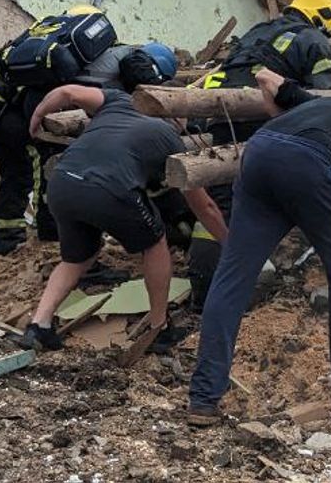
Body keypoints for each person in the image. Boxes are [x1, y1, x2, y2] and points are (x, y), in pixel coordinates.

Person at [186, 68, 331, 426]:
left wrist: (260, 74)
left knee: (233, 277)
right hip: (307, 163)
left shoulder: (323, 106)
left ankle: (203, 399)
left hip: (258, 154)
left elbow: (268, 80)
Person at [15, 83, 226, 352]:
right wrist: (228, 244)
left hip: (62, 182)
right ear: (175, 114)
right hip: (110, 188)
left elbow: (67, 92)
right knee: (155, 244)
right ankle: (159, 328)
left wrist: (37, 116)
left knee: (77, 258)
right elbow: (204, 207)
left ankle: (39, 325)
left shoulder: (117, 100)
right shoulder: (170, 139)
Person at [0, 7, 178, 256]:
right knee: (38, 164)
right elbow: (142, 82)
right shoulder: (132, 56)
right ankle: (48, 234)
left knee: (16, 171)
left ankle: (6, 240)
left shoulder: (61, 42)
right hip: (9, 106)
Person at [188, 0, 331, 307]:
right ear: (321, 16)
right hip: (264, 119)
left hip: (224, 115)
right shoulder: (312, 38)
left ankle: (204, 287)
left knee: (224, 197)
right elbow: (323, 96)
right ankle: (250, 280)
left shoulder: (258, 31)